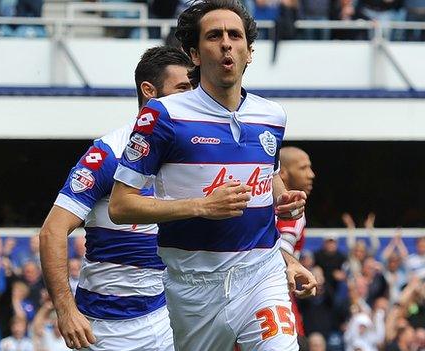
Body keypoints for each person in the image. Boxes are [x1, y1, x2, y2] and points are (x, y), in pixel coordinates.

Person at [109, 1, 317, 350]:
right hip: (192, 289)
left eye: (235, 35)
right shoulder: (163, 116)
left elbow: (270, 175)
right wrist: (201, 206)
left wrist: (283, 199)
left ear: (249, 52)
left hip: (260, 277)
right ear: (193, 53)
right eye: (214, 35)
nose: (226, 43)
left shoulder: (272, 115)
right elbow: (120, 205)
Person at [39, 45, 193, 351]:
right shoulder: (108, 153)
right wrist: (66, 311)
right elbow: (52, 232)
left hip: (165, 321)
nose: (192, 99)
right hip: (102, 330)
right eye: (182, 89)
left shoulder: (191, 155)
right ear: (150, 92)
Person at [276, 146, 316, 341]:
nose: (311, 175)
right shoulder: (292, 209)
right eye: (303, 168)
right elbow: (280, 251)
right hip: (275, 301)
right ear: (282, 173)